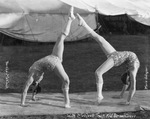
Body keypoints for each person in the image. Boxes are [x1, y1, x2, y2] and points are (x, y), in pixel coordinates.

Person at [76, 13, 140, 105]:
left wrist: (127, 102)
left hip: (117, 57)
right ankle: (83, 24)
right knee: (100, 39)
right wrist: (122, 96)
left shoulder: (132, 70)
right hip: (117, 54)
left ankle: (99, 96)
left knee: (98, 73)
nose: (125, 72)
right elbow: (129, 84)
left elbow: (132, 86)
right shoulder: (132, 69)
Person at [20, 6, 75, 108]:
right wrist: (26, 101)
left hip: (53, 58)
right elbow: (27, 88)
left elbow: (26, 88)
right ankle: (67, 102)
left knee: (61, 37)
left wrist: (24, 102)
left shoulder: (33, 75)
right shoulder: (33, 76)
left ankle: (70, 19)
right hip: (52, 60)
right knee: (66, 80)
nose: (40, 79)